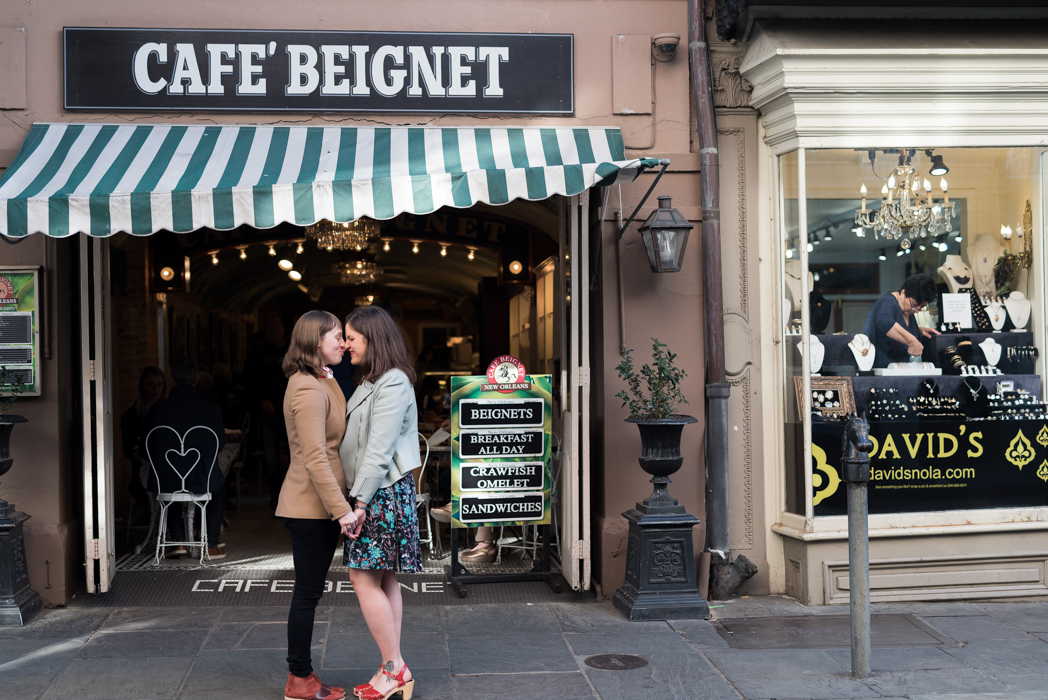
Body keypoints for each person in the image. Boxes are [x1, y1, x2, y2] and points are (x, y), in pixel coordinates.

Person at [339, 306, 422, 700]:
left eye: (351, 337)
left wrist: (359, 501)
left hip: (379, 493)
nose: (345, 344)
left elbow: (378, 449)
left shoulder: (392, 382)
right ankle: (391, 668)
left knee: (362, 577)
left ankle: (394, 667)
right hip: (380, 493)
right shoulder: (377, 380)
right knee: (384, 577)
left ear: (372, 338)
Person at [277, 310, 359, 700]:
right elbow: (315, 457)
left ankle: (302, 675)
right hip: (311, 507)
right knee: (307, 593)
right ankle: (299, 678)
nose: (343, 342)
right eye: (336, 336)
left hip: (320, 505)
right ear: (314, 341)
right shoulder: (308, 387)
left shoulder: (320, 379)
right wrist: (341, 509)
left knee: (310, 591)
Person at [140, 357, 227, 559]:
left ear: (172, 380)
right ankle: (210, 544)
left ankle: (177, 540)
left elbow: (145, 450)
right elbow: (220, 445)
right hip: (201, 480)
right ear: (196, 379)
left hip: (167, 482)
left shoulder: (157, 410)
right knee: (220, 488)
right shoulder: (212, 409)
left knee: (166, 479)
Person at [243, 314, 290, 512]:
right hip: (268, 412)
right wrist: (261, 401)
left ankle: (292, 499)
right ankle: (275, 500)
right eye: (269, 329)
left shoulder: (291, 351)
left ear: (283, 329)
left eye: (276, 328)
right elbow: (249, 383)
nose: (273, 333)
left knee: (294, 456)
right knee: (271, 460)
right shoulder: (257, 355)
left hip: (291, 412)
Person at [864, 273, 941, 368]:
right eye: (914, 304)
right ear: (903, 293)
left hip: (901, 372)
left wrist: (919, 331)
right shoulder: (887, 303)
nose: (917, 310)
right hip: (882, 373)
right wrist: (912, 341)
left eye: (922, 307)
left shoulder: (908, 310)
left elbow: (901, 328)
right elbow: (884, 321)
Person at [121, 366, 165, 509]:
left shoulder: (166, 411)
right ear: (142, 387)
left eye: (159, 384)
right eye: (150, 384)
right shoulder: (132, 415)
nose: (155, 389)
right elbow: (128, 450)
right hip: (143, 472)